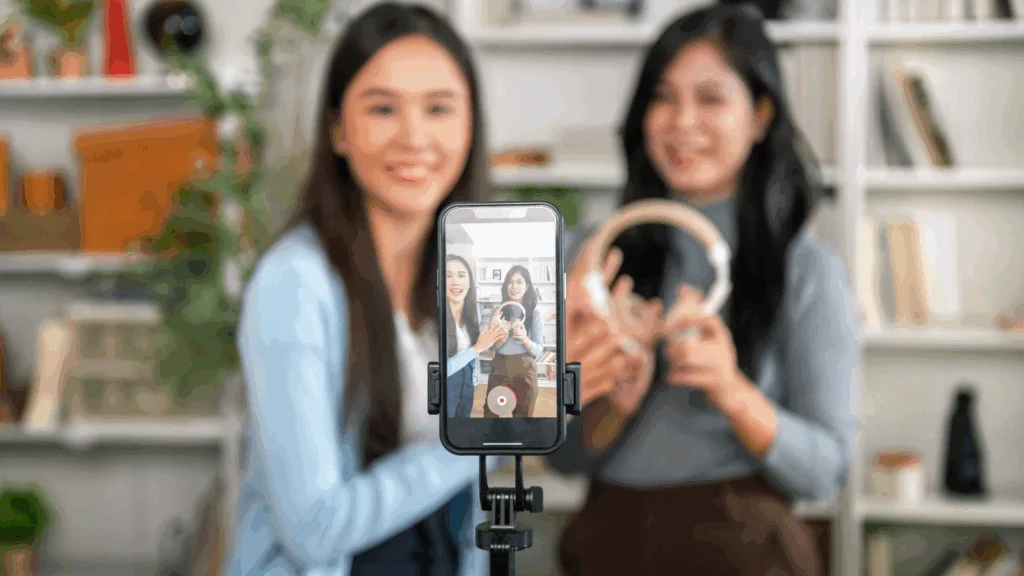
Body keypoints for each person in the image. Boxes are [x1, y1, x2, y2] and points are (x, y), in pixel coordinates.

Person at [223, 4, 536, 575]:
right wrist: (483, 431)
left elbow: (485, 489)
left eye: (439, 108)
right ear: (339, 130)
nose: (414, 137)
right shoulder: (293, 284)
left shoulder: (479, 271)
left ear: (470, 126)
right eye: (382, 109)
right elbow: (315, 530)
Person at [550, 5, 860, 575]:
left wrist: (730, 389)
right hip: (606, 544)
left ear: (760, 116)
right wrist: (615, 402)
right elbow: (565, 461)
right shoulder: (595, 258)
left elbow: (825, 472)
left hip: (745, 548)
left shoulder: (808, 269)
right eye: (662, 98)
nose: (681, 122)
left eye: (711, 98)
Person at [445, 253, 506, 417]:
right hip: (446, 386)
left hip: (467, 384)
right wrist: (478, 348)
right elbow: (443, 369)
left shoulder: (473, 314)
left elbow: (478, 346)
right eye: (448, 275)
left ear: (470, 282)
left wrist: (493, 333)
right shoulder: (433, 317)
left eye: (461, 275)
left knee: (462, 430)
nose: (455, 281)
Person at [483, 265, 546, 417]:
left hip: (524, 370)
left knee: (522, 418)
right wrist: (500, 339)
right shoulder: (497, 312)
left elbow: (538, 351)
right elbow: (490, 348)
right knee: (490, 414)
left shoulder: (535, 314)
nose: (514, 286)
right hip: (499, 368)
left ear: (527, 286)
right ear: (505, 286)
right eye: (510, 282)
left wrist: (524, 338)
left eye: (519, 282)